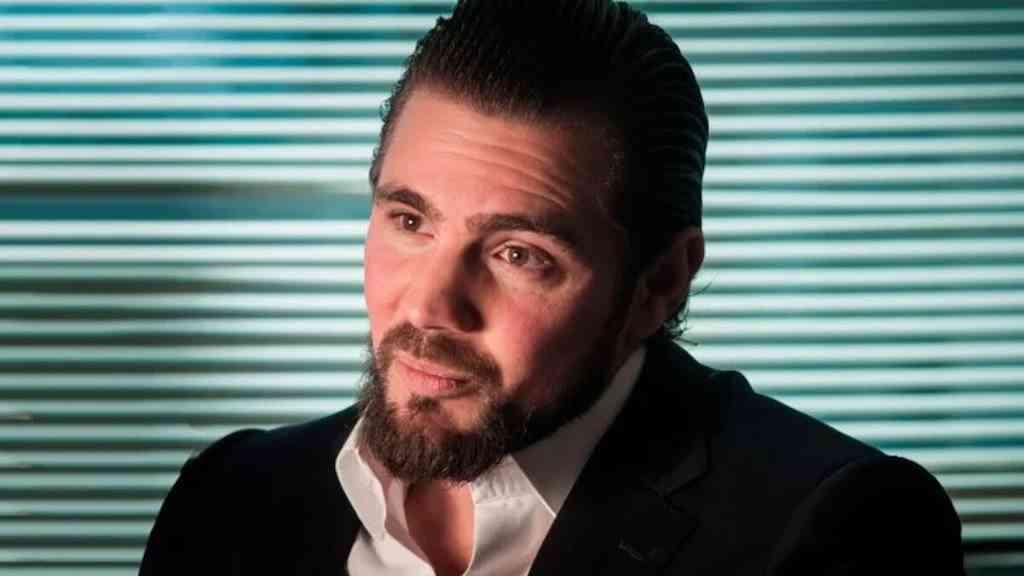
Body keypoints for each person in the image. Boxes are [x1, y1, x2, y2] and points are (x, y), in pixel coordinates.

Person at [140, 1, 964, 574]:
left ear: (659, 283)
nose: (428, 306)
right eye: (410, 221)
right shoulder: (230, 505)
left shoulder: (838, 528)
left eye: (517, 254)